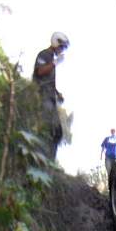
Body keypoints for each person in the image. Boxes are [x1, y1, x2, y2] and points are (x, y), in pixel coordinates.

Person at [33, 31, 69, 159]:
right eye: (62, 47)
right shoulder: (44, 54)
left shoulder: (52, 58)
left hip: (50, 97)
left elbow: (48, 82)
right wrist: (55, 63)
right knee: (48, 129)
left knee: (57, 132)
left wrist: (58, 93)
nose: (62, 50)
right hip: (42, 96)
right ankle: (42, 158)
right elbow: (40, 71)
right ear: (56, 42)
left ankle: (49, 160)